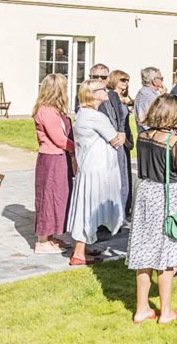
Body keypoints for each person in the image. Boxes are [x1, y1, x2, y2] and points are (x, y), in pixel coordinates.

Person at [127, 95, 177, 325]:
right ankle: (165, 311)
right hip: (168, 195)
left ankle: (142, 309)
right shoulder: (173, 140)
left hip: (146, 193)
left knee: (145, 253)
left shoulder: (144, 136)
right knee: (167, 256)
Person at [67, 79, 126, 266]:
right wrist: (122, 135)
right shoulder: (95, 116)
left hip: (90, 167)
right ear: (92, 94)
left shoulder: (83, 113)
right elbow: (116, 139)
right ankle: (79, 252)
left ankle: (84, 246)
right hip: (97, 169)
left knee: (88, 206)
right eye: (102, 89)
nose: (106, 91)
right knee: (88, 208)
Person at [32, 73, 75, 254]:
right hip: (51, 159)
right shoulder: (46, 111)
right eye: (64, 87)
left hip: (59, 158)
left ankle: (51, 236)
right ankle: (42, 241)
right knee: (48, 198)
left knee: (59, 197)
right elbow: (59, 139)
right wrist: (79, 149)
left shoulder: (54, 109)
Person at [102, 70, 134, 214]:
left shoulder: (123, 98)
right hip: (118, 140)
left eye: (127, 80)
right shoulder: (111, 96)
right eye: (122, 80)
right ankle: (118, 210)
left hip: (125, 139)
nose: (126, 83)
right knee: (120, 176)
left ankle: (124, 206)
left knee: (125, 174)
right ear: (114, 80)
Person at [134, 67, 164, 132]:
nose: (162, 80)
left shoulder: (148, 92)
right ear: (154, 81)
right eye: (161, 78)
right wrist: (164, 97)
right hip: (150, 134)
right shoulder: (147, 95)